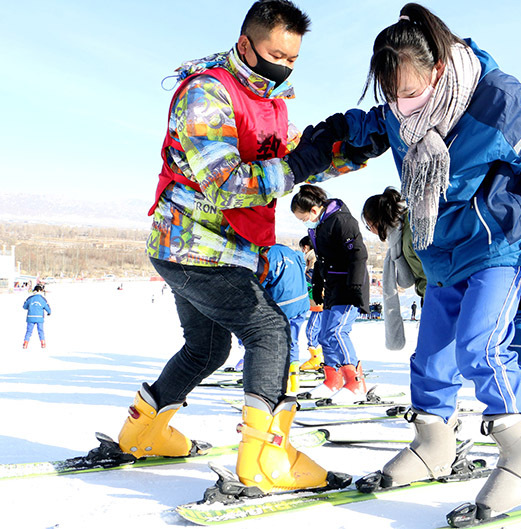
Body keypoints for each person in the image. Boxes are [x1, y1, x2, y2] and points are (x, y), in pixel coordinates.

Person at [299, 3, 521, 520]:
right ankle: (435, 444)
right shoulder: (398, 112)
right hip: (442, 249)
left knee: (480, 346)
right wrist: (310, 148)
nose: (401, 107)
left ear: (438, 71)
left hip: (498, 241)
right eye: (391, 95)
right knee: (430, 357)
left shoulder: (497, 99)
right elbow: (360, 131)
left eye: (409, 92)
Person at [118, 0, 355, 497]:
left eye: (292, 59)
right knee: (271, 331)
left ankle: (144, 430)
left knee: (207, 347)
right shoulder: (206, 94)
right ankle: (266, 458)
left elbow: (281, 164)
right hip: (196, 247)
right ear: (246, 44)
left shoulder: (267, 99)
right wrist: (298, 165)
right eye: (275, 54)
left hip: (208, 250)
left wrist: (338, 156)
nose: (284, 65)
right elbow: (228, 185)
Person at [291, 184, 370, 404]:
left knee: (337, 332)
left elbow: (358, 254)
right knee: (325, 335)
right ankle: (333, 379)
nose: (303, 222)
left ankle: (355, 382)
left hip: (348, 285)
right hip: (332, 285)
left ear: (314, 210)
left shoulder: (342, 221)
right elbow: (321, 260)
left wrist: (355, 286)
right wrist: (317, 284)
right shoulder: (318, 227)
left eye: (303, 217)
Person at [362, 187, 427, 349]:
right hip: (432, 296)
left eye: (369, 225)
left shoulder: (411, 232)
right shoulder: (399, 236)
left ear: (378, 220)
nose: (371, 231)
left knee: (431, 359)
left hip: (440, 297)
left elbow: (432, 269)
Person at [255, 243, 311, 392]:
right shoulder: (289, 251)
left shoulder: (266, 255)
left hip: (284, 305)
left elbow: (260, 280)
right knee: (293, 342)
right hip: (302, 303)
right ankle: (294, 380)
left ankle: (279, 381)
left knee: (276, 343)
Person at [299, 235, 325, 370]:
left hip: (318, 303)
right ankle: (321, 357)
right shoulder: (313, 259)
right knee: (318, 330)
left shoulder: (313, 260)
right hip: (318, 302)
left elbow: (312, 281)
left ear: (306, 247)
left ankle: (316, 358)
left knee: (311, 330)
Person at [22, 284, 51, 349]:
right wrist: (49, 312)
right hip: (39, 318)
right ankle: (43, 342)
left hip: (30, 317)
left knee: (29, 331)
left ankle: (25, 343)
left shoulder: (30, 298)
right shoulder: (42, 299)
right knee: (41, 331)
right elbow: (47, 307)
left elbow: (24, 306)